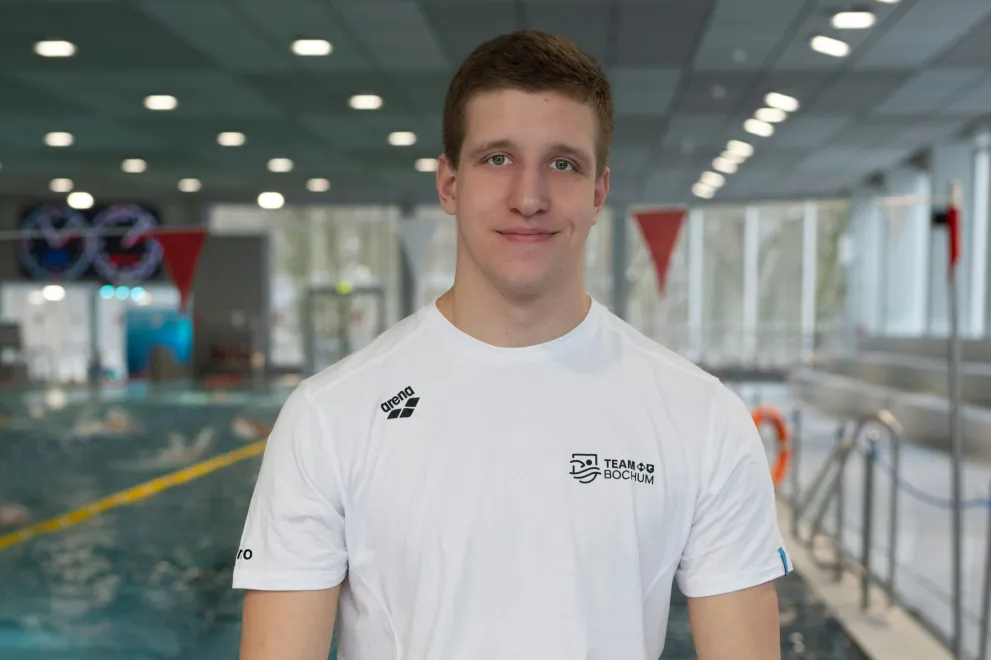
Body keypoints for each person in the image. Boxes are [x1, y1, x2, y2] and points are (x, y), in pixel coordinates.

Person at [233, 29, 789, 660]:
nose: (529, 198)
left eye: (563, 163)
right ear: (448, 184)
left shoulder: (701, 416)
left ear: (600, 191)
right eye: (497, 158)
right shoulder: (329, 415)